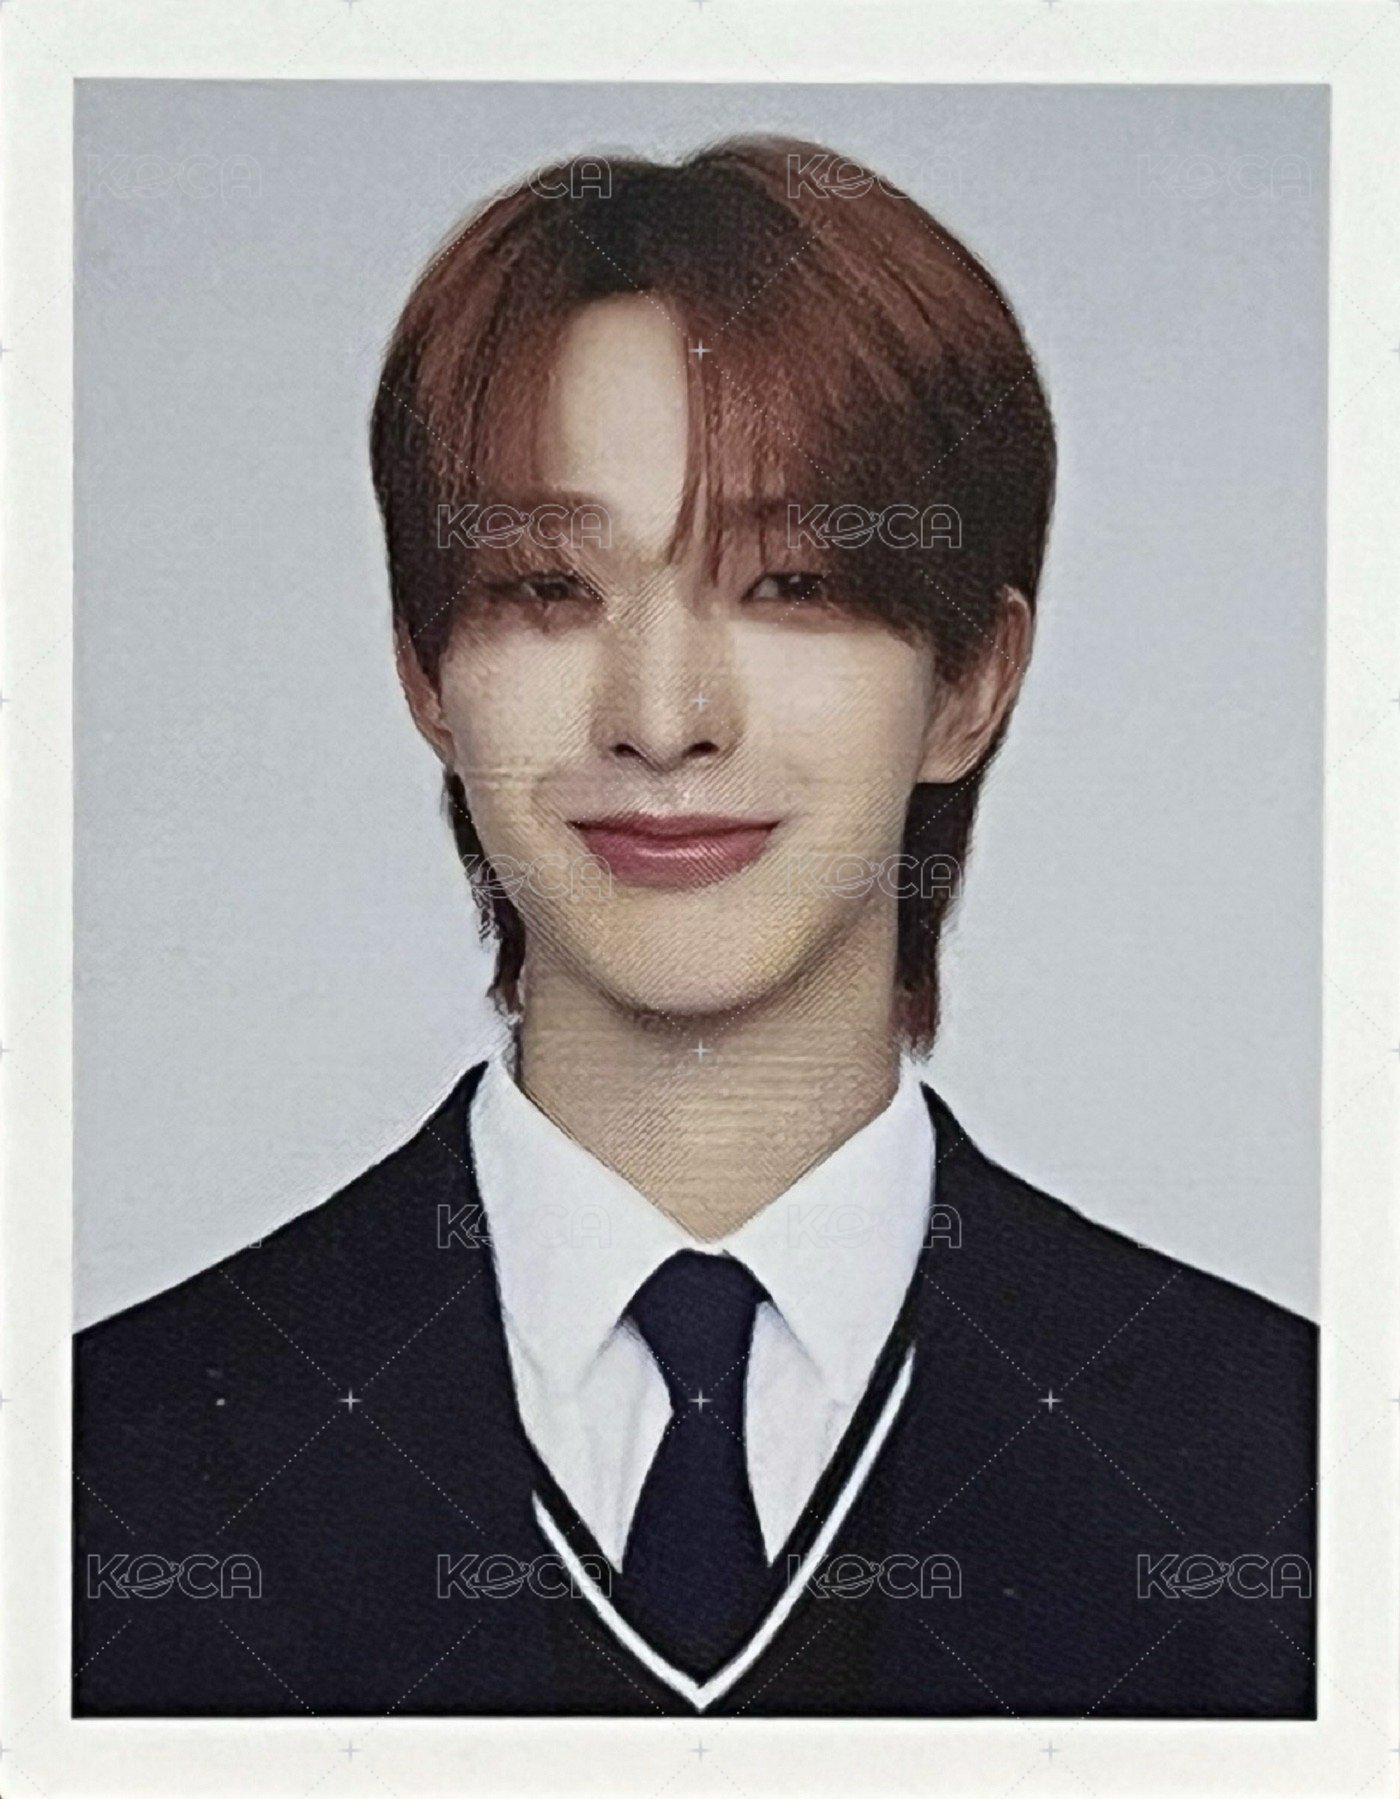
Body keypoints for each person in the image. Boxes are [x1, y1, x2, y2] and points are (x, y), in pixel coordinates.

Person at [74, 136, 1316, 1718]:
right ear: (425, 672)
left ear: (970, 684)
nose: (662, 718)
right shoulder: (104, 1468)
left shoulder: (1293, 1474)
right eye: (546, 586)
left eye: (790, 582)